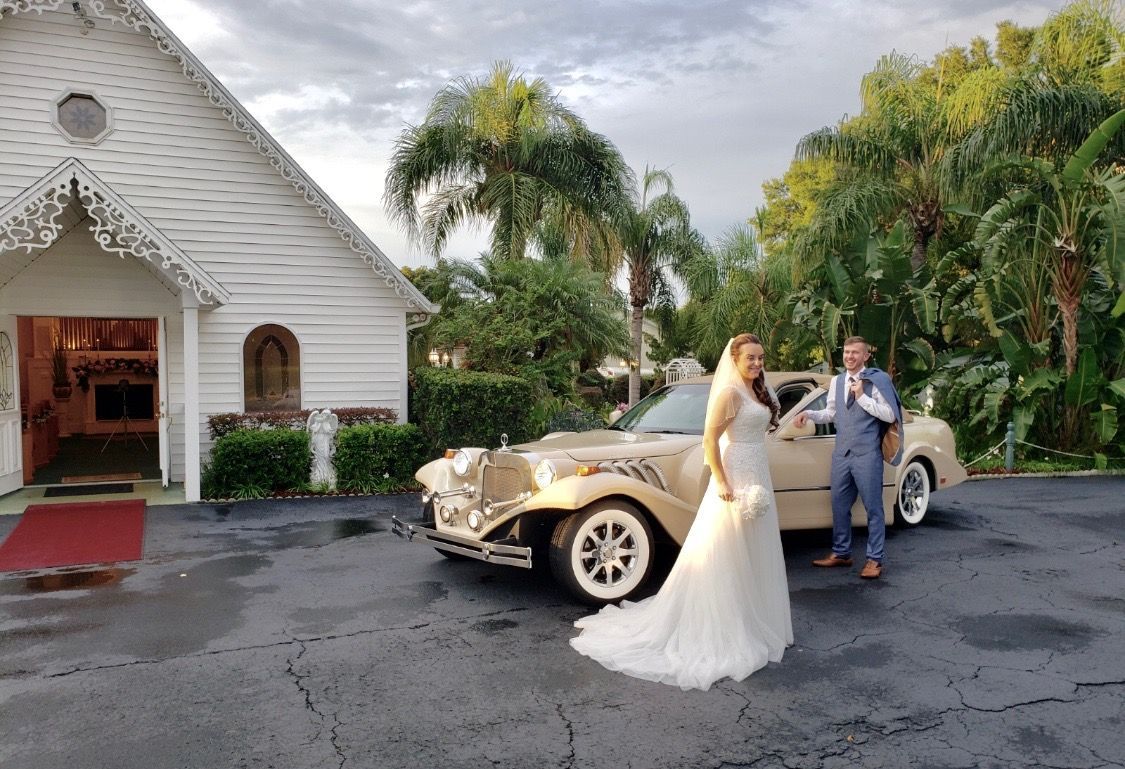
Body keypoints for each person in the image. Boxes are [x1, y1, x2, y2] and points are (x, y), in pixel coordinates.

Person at [569, 333, 793, 691]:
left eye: (760, 358)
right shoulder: (728, 394)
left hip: (758, 470)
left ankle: (760, 619)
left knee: (758, 546)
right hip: (736, 471)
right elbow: (709, 440)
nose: (756, 363)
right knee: (727, 546)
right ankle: (728, 627)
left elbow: (766, 426)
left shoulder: (759, 392)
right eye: (750, 358)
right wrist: (721, 480)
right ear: (734, 359)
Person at [792, 336, 903, 579]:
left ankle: (875, 559)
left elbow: (888, 414)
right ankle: (841, 553)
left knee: (874, 508)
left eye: (855, 352)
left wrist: (863, 397)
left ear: (865, 356)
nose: (849, 356)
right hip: (841, 454)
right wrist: (809, 413)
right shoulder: (837, 381)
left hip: (867, 454)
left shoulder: (877, 380)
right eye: (846, 352)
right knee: (839, 505)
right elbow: (831, 413)